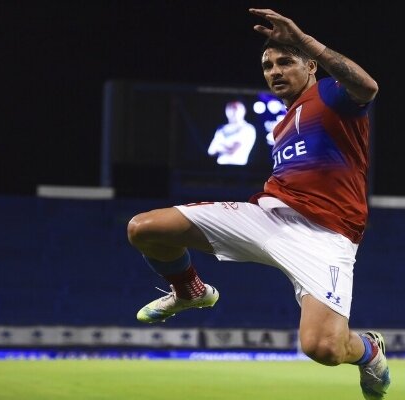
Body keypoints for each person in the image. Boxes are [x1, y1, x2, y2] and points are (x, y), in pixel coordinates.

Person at [127, 8, 389, 399]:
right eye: (268, 65)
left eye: (285, 61)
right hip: (268, 215)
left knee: (324, 349)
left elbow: (368, 87)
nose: (274, 71)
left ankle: (369, 351)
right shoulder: (282, 125)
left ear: (311, 66)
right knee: (145, 229)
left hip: (325, 237)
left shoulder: (331, 95)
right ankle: (190, 290)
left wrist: (303, 38)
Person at [207, 100, 257, 166]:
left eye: (236, 108)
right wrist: (225, 146)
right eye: (230, 108)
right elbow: (211, 151)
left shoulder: (248, 128)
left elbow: (232, 151)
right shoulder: (221, 129)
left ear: (243, 111)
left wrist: (219, 145)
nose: (233, 111)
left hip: (238, 168)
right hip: (220, 168)